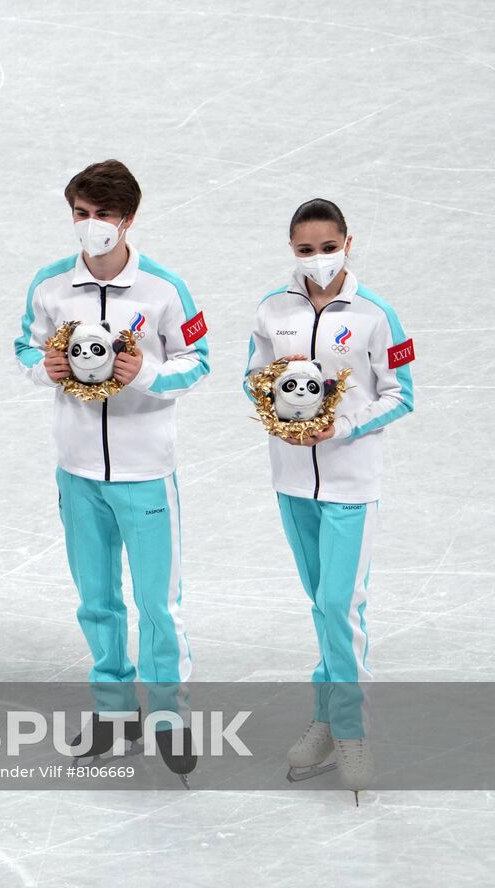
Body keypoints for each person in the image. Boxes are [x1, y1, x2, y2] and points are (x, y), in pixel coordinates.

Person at [13, 160, 209, 777]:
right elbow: (25, 344)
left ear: (128, 219)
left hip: (146, 469)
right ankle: (114, 712)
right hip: (76, 471)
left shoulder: (163, 289)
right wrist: (37, 365)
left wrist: (144, 374)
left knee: (157, 601)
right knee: (97, 600)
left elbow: (197, 360)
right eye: (82, 214)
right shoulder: (50, 286)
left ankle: (169, 717)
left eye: (103, 216)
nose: (91, 226)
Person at [244, 198, 414, 799]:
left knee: (341, 604)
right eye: (305, 250)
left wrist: (342, 428)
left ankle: (349, 726)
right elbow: (253, 376)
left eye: (327, 247)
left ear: (347, 241)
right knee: (323, 605)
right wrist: (272, 406)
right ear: (292, 249)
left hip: (350, 483)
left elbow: (401, 394)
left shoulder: (375, 314)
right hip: (292, 482)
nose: (317, 259)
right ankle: (326, 714)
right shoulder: (273, 309)